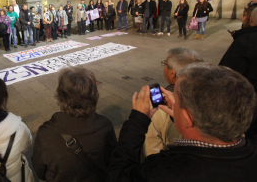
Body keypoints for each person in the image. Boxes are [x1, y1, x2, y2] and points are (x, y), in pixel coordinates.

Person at [107, 63, 257, 182]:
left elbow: (118, 175)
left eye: (176, 99)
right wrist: (180, 118)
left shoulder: (165, 171)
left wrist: (137, 121)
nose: (171, 98)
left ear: (188, 117)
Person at [32, 67, 116, 182]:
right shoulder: (105, 125)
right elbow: (112, 161)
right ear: (94, 96)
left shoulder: (46, 133)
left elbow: (39, 171)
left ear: (60, 97)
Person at [143, 48, 203, 158]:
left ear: (172, 73)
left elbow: (151, 148)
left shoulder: (159, 106)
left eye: (164, 64)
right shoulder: (215, 98)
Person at [219, 7, 257, 91]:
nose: (241, 17)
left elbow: (228, 73)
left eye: (244, 15)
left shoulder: (245, 41)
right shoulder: (244, 39)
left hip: (248, 93)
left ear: (251, 19)